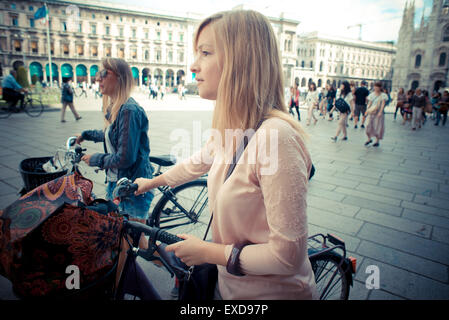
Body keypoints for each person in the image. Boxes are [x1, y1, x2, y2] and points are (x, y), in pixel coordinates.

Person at [134, 10, 317, 300]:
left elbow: (288, 257)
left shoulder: (276, 137)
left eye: (205, 53)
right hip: (227, 287)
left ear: (241, 60)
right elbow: (196, 163)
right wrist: (150, 182)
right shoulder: (234, 129)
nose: (193, 65)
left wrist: (208, 251)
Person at [74, 57, 154, 232]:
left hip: (132, 188)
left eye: (103, 73)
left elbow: (125, 158)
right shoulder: (117, 107)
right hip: (118, 183)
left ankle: (174, 258)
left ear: (119, 77)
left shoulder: (129, 110)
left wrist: (96, 159)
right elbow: (112, 135)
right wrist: (86, 135)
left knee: (135, 242)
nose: (98, 78)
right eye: (97, 74)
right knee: (122, 241)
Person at [364, 82, 387, 147]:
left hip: (378, 113)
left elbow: (383, 104)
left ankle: (377, 141)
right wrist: (367, 111)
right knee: (368, 125)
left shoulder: (383, 95)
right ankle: (369, 138)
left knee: (378, 126)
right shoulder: (371, 95)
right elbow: (369, 103)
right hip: (371, 112)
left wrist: (380, 112)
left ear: (380, 87)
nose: (376, 88)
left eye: (377, 87)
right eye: (375, 86)